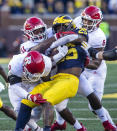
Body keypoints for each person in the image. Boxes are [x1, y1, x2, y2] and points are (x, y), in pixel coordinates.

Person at [43, 14, 117, 131]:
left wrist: (89, 56)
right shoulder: (74, 23)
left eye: (62, 27)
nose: (60, 30)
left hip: (86, 69)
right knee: (59, 103)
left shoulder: (90, 36)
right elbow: (49, 38)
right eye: (57, 28)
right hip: (72, 71)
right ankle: (70, 125)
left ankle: (108, 124)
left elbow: (97, 61)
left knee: (92, 99)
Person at [15, 16, 88, 131]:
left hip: (62, 76)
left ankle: (76, 127)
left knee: (52, 103)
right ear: (28, 33)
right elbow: (38, 56)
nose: (40, 33)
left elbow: (78, 36)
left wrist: (66, 36)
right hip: (37, 76)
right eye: (36, 31)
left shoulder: (52, 32)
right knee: (31, 104)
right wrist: (56, 48)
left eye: (41, 30)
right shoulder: (26, 46)